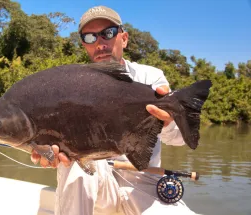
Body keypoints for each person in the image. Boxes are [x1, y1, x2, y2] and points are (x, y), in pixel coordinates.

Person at [31, 5, 199, 215]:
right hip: (95, 184)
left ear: (124, 38)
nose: (100, 44)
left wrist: (167, 121)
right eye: (90, 38)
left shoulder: (150, 79)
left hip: (143, 183)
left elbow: (178, 139)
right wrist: (47, 150)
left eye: (107, 33)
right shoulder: (72, 86)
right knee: (74, 162)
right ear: (84, 44)